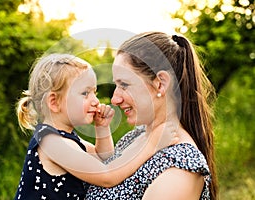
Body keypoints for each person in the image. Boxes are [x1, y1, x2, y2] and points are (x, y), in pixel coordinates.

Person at [14, 53, 176, 200]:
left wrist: (102, 129)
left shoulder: (65, 139)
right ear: (54, 102)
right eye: (85, 93)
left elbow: (104, 159)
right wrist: (152, 144)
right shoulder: (51, 143)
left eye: (94, 93)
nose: (95, 101)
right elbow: (107, 176)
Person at [85, 32, 218, 200]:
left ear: (160, 84)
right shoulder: (136, 136)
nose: (115, 99)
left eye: (124, 85)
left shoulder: (181, 167)